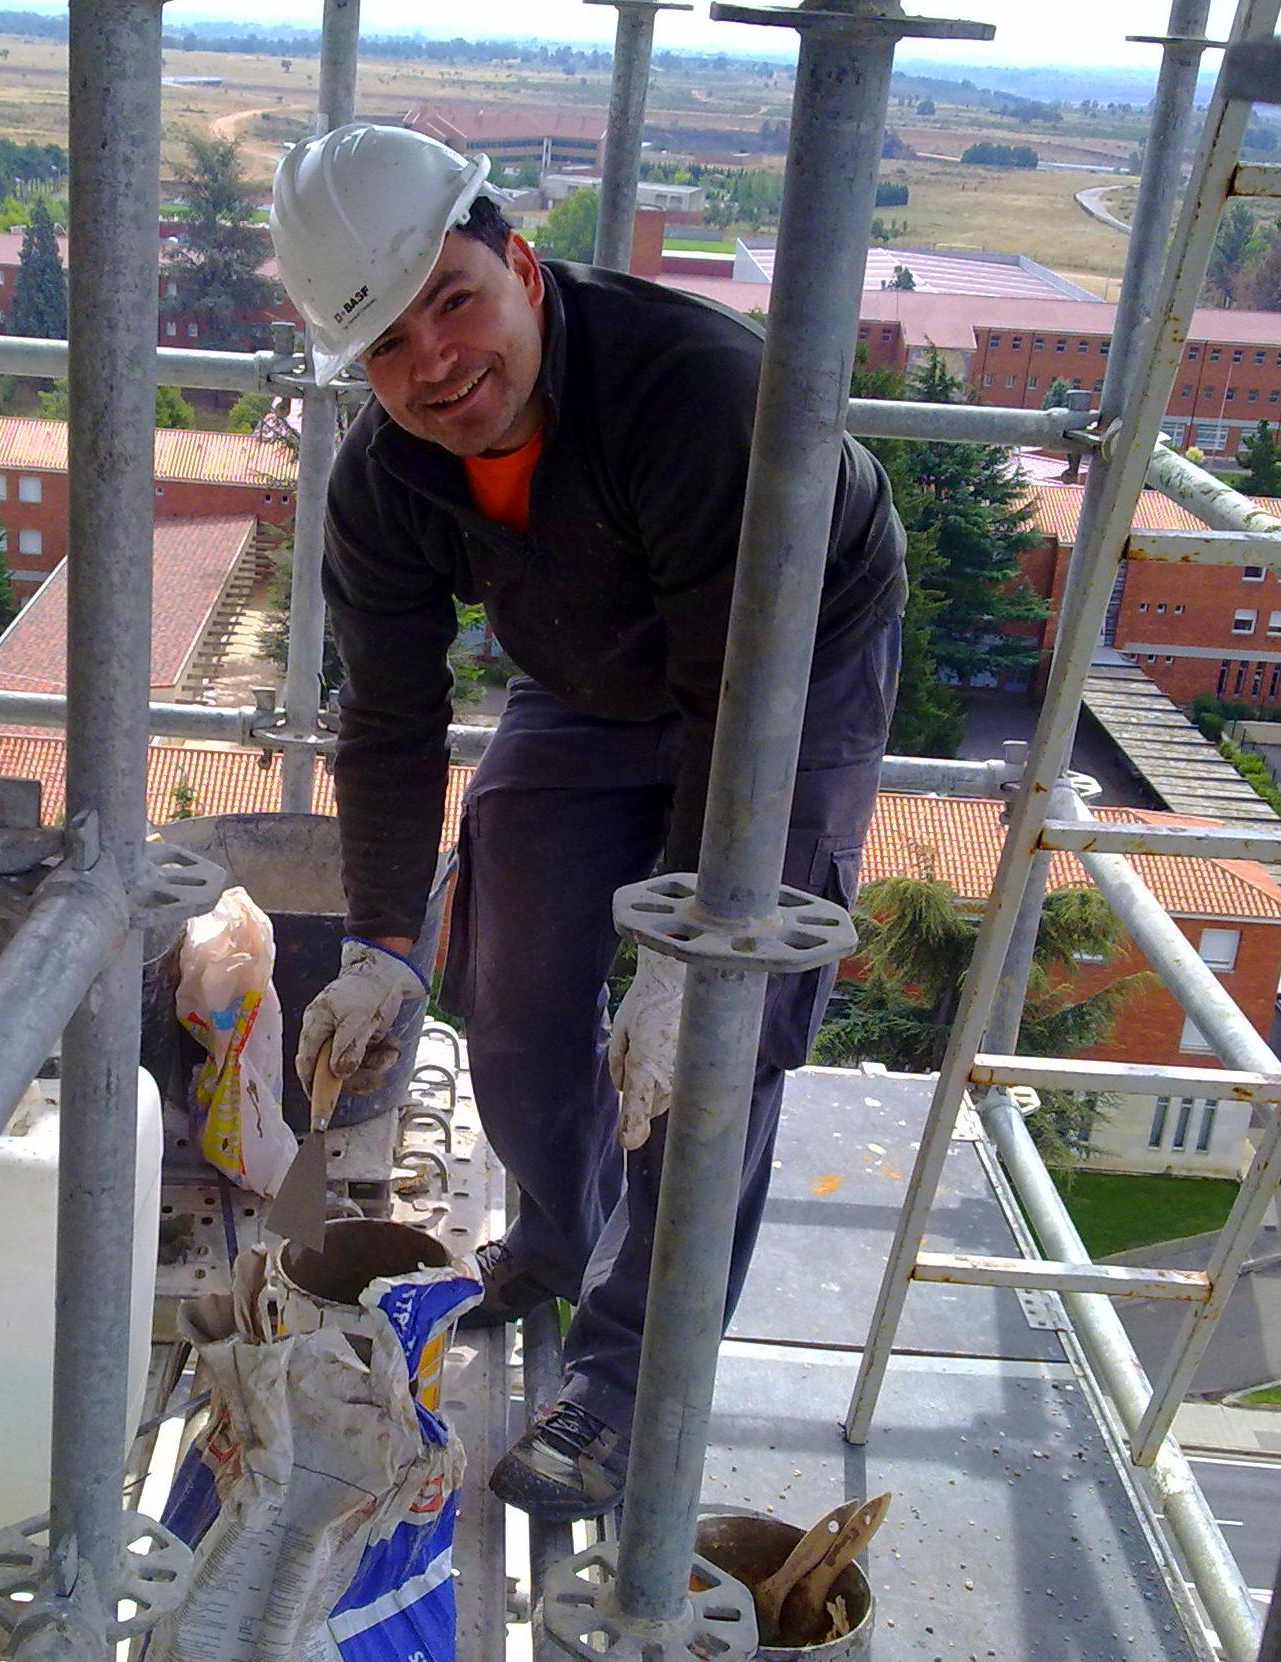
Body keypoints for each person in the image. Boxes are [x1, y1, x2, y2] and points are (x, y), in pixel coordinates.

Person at [272, 126, 907, 1523]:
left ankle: (628, 1381)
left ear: (520, 262)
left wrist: (688, 952)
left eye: (453, 298)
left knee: (712, 1042)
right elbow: (384, 716)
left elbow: (735, 708)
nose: (433, 362)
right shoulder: (385, 481)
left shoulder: (698, 399)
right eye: (383, 342)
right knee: (511, 981)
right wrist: (382, 937)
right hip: (596, 664)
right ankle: (559, 1242)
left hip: (778, 671)